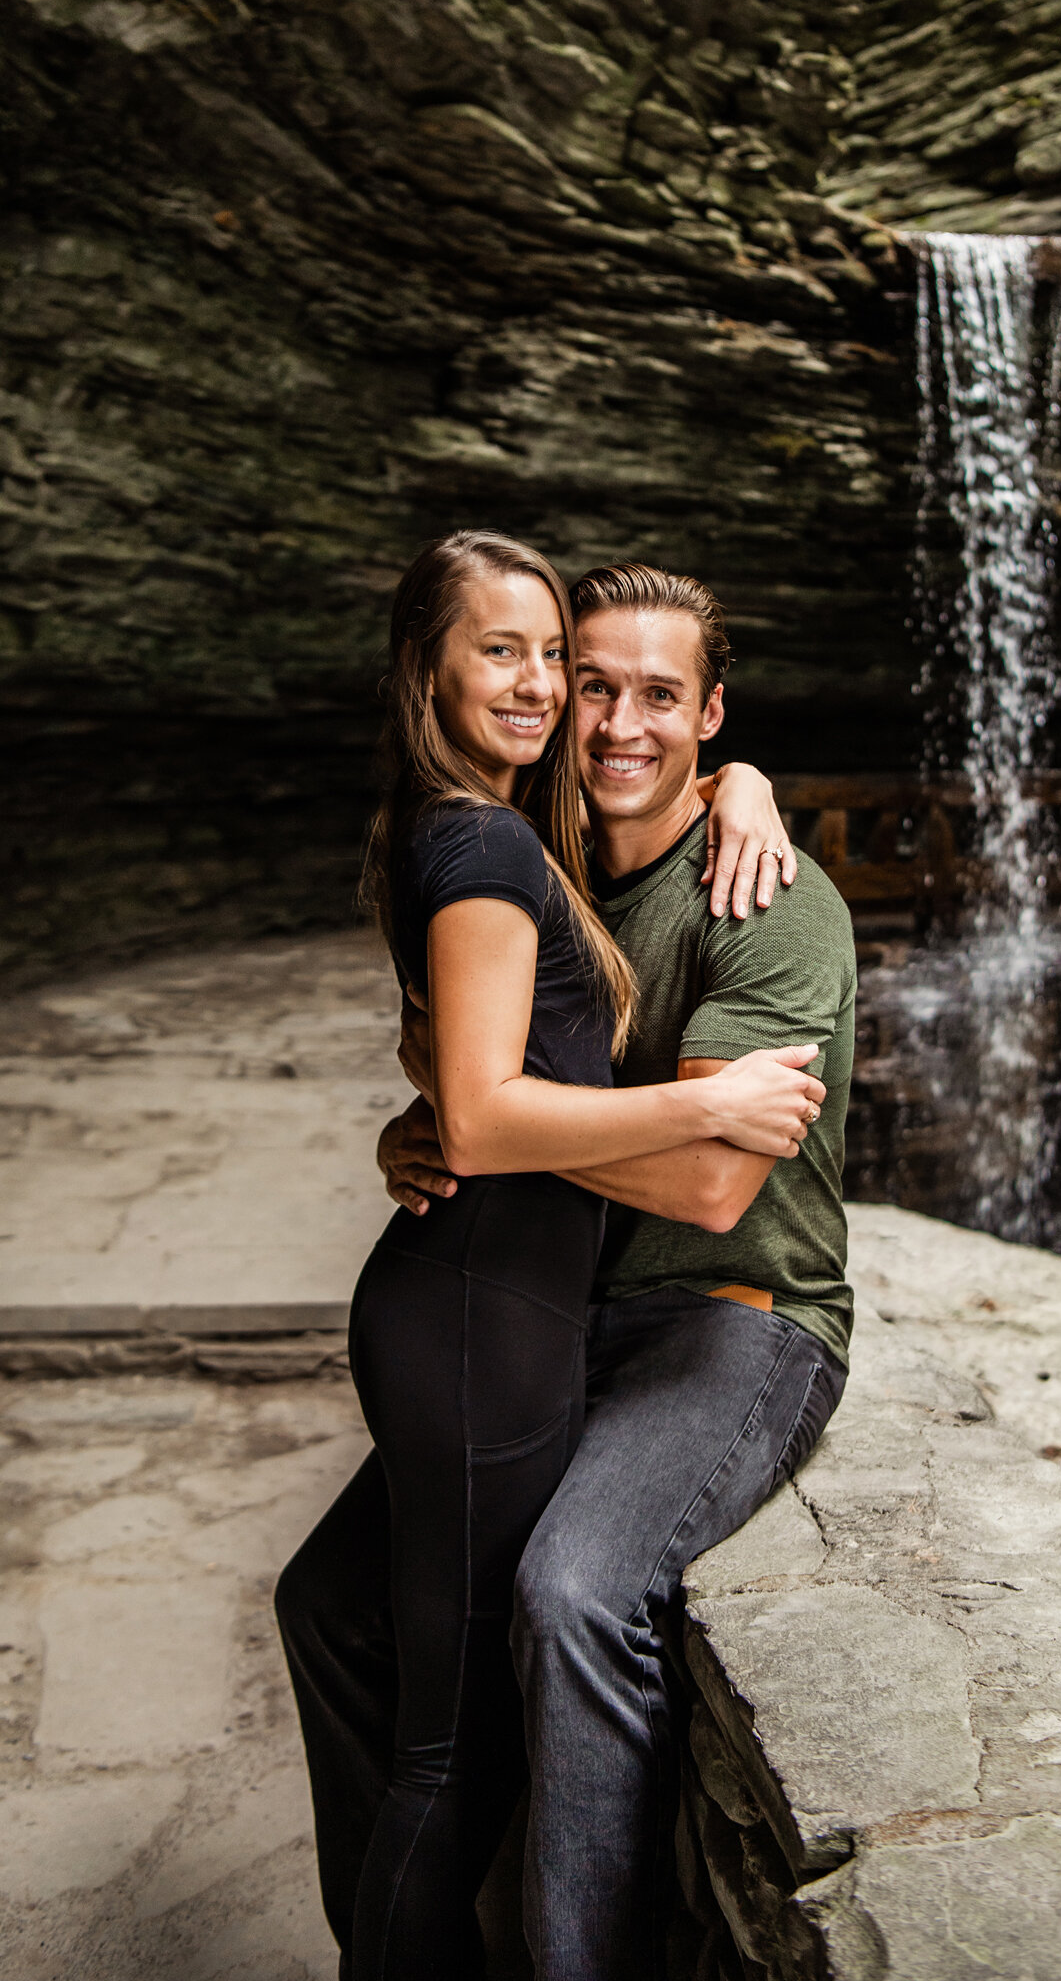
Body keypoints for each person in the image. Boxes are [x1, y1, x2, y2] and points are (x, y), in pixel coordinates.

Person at [277, 531, 828, 1981]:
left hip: (732, 1309)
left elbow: (714, 1191)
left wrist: (485, 1122)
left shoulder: (762, 888)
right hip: (546, 1305)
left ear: (713, 718)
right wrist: (454, 1119)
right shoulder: (538, 845)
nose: (609, 719)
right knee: (347, 1634)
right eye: (589, 683)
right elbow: (503, 1067)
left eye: (663, 696)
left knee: (568, 1592)